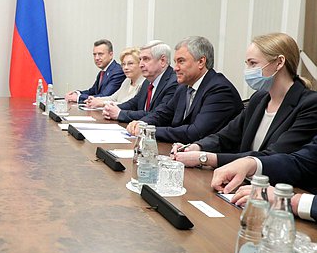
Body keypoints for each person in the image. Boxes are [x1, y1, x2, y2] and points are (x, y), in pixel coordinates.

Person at [172, 33, 317, 168]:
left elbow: (274, 155)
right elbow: (225, 137)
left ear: (279, 62)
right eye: (247, 64)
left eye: (253, 64)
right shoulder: (259, 98)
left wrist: (205, 158)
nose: (248, 70)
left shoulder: (309, 104)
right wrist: (196, 147)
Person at [127, 36, 243, 143]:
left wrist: (148, 131)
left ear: (201, 62)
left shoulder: (220, 90)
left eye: (181, 61)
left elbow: (196, 133)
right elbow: (163, 113)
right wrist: (142, 123)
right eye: (175, 62)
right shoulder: (184, 86)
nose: (175, 68)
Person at [101, 41, 177, 122]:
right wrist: (112, 109)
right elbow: (134, 103)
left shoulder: (173, 83)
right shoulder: (147, 82)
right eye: (140, 59)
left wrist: (120, 114)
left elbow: (157, 115)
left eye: (146, 59)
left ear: (162, 61)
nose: (141, 64)